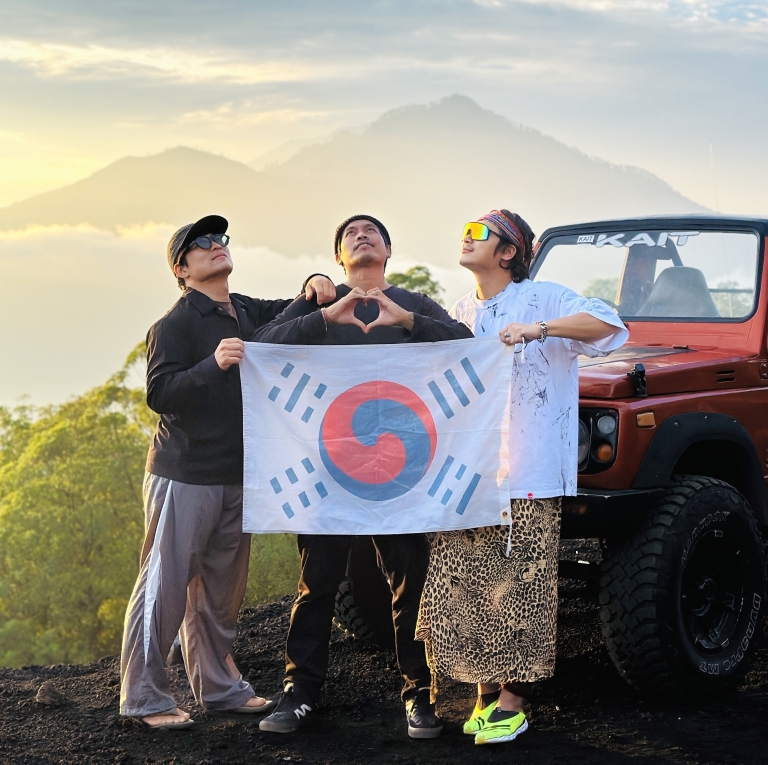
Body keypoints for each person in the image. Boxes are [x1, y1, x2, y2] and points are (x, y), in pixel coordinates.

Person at [253, 214, 473, 739]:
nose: (361, 234)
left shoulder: (413, 304)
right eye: (349, 233)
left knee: (410, 582)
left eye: (372, 230)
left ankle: (420, 693)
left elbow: (465, 344)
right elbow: (262, 343)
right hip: (329, 471)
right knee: (317, 585)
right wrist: (324, 314)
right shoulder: (319, 305)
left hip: (403, 472)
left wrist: (408, 321)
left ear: (389, 251)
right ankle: (299, 692)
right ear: (338, 259)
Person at [416, 210, 627, 746]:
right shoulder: (462, 309)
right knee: (470, 590)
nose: (466, 238)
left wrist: (541, 330)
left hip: (531, 474)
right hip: (473, 477)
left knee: (523, 590)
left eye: (479, 233)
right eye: (463, 229)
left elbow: (611, 326)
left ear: (508, 251)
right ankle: (485, 699)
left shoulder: (545, 297)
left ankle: (514, 704)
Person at [119, 214, 336, 729]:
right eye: (202, 244)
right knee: (165, 586)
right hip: (185, 474)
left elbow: (289, 313)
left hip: (238, 473)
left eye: (220, 239)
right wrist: (211, 364)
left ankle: (218, 690)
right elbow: (159, 394)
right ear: (183, 268)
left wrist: (313, 284)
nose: (216, 246)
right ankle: (144, 698)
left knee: (220, 592)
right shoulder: (174, 324)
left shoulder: (243, 309)